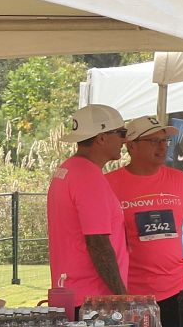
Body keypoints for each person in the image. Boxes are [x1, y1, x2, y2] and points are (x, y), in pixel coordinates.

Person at [106, 115, 183, 327]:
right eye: (153, 141)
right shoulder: (108, 184)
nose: (162, 147)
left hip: (175, 289)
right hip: (129, 293)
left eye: (165, 141)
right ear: (131, 146)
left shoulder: (181, 181)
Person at [46, 103, 130, 303]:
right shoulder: (87, 176)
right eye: (121, 133)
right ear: (102, 138)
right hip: (93, 301)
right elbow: (98, 243)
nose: (125, 140)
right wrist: (121, 297)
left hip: (73, 293)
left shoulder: (67, 169)